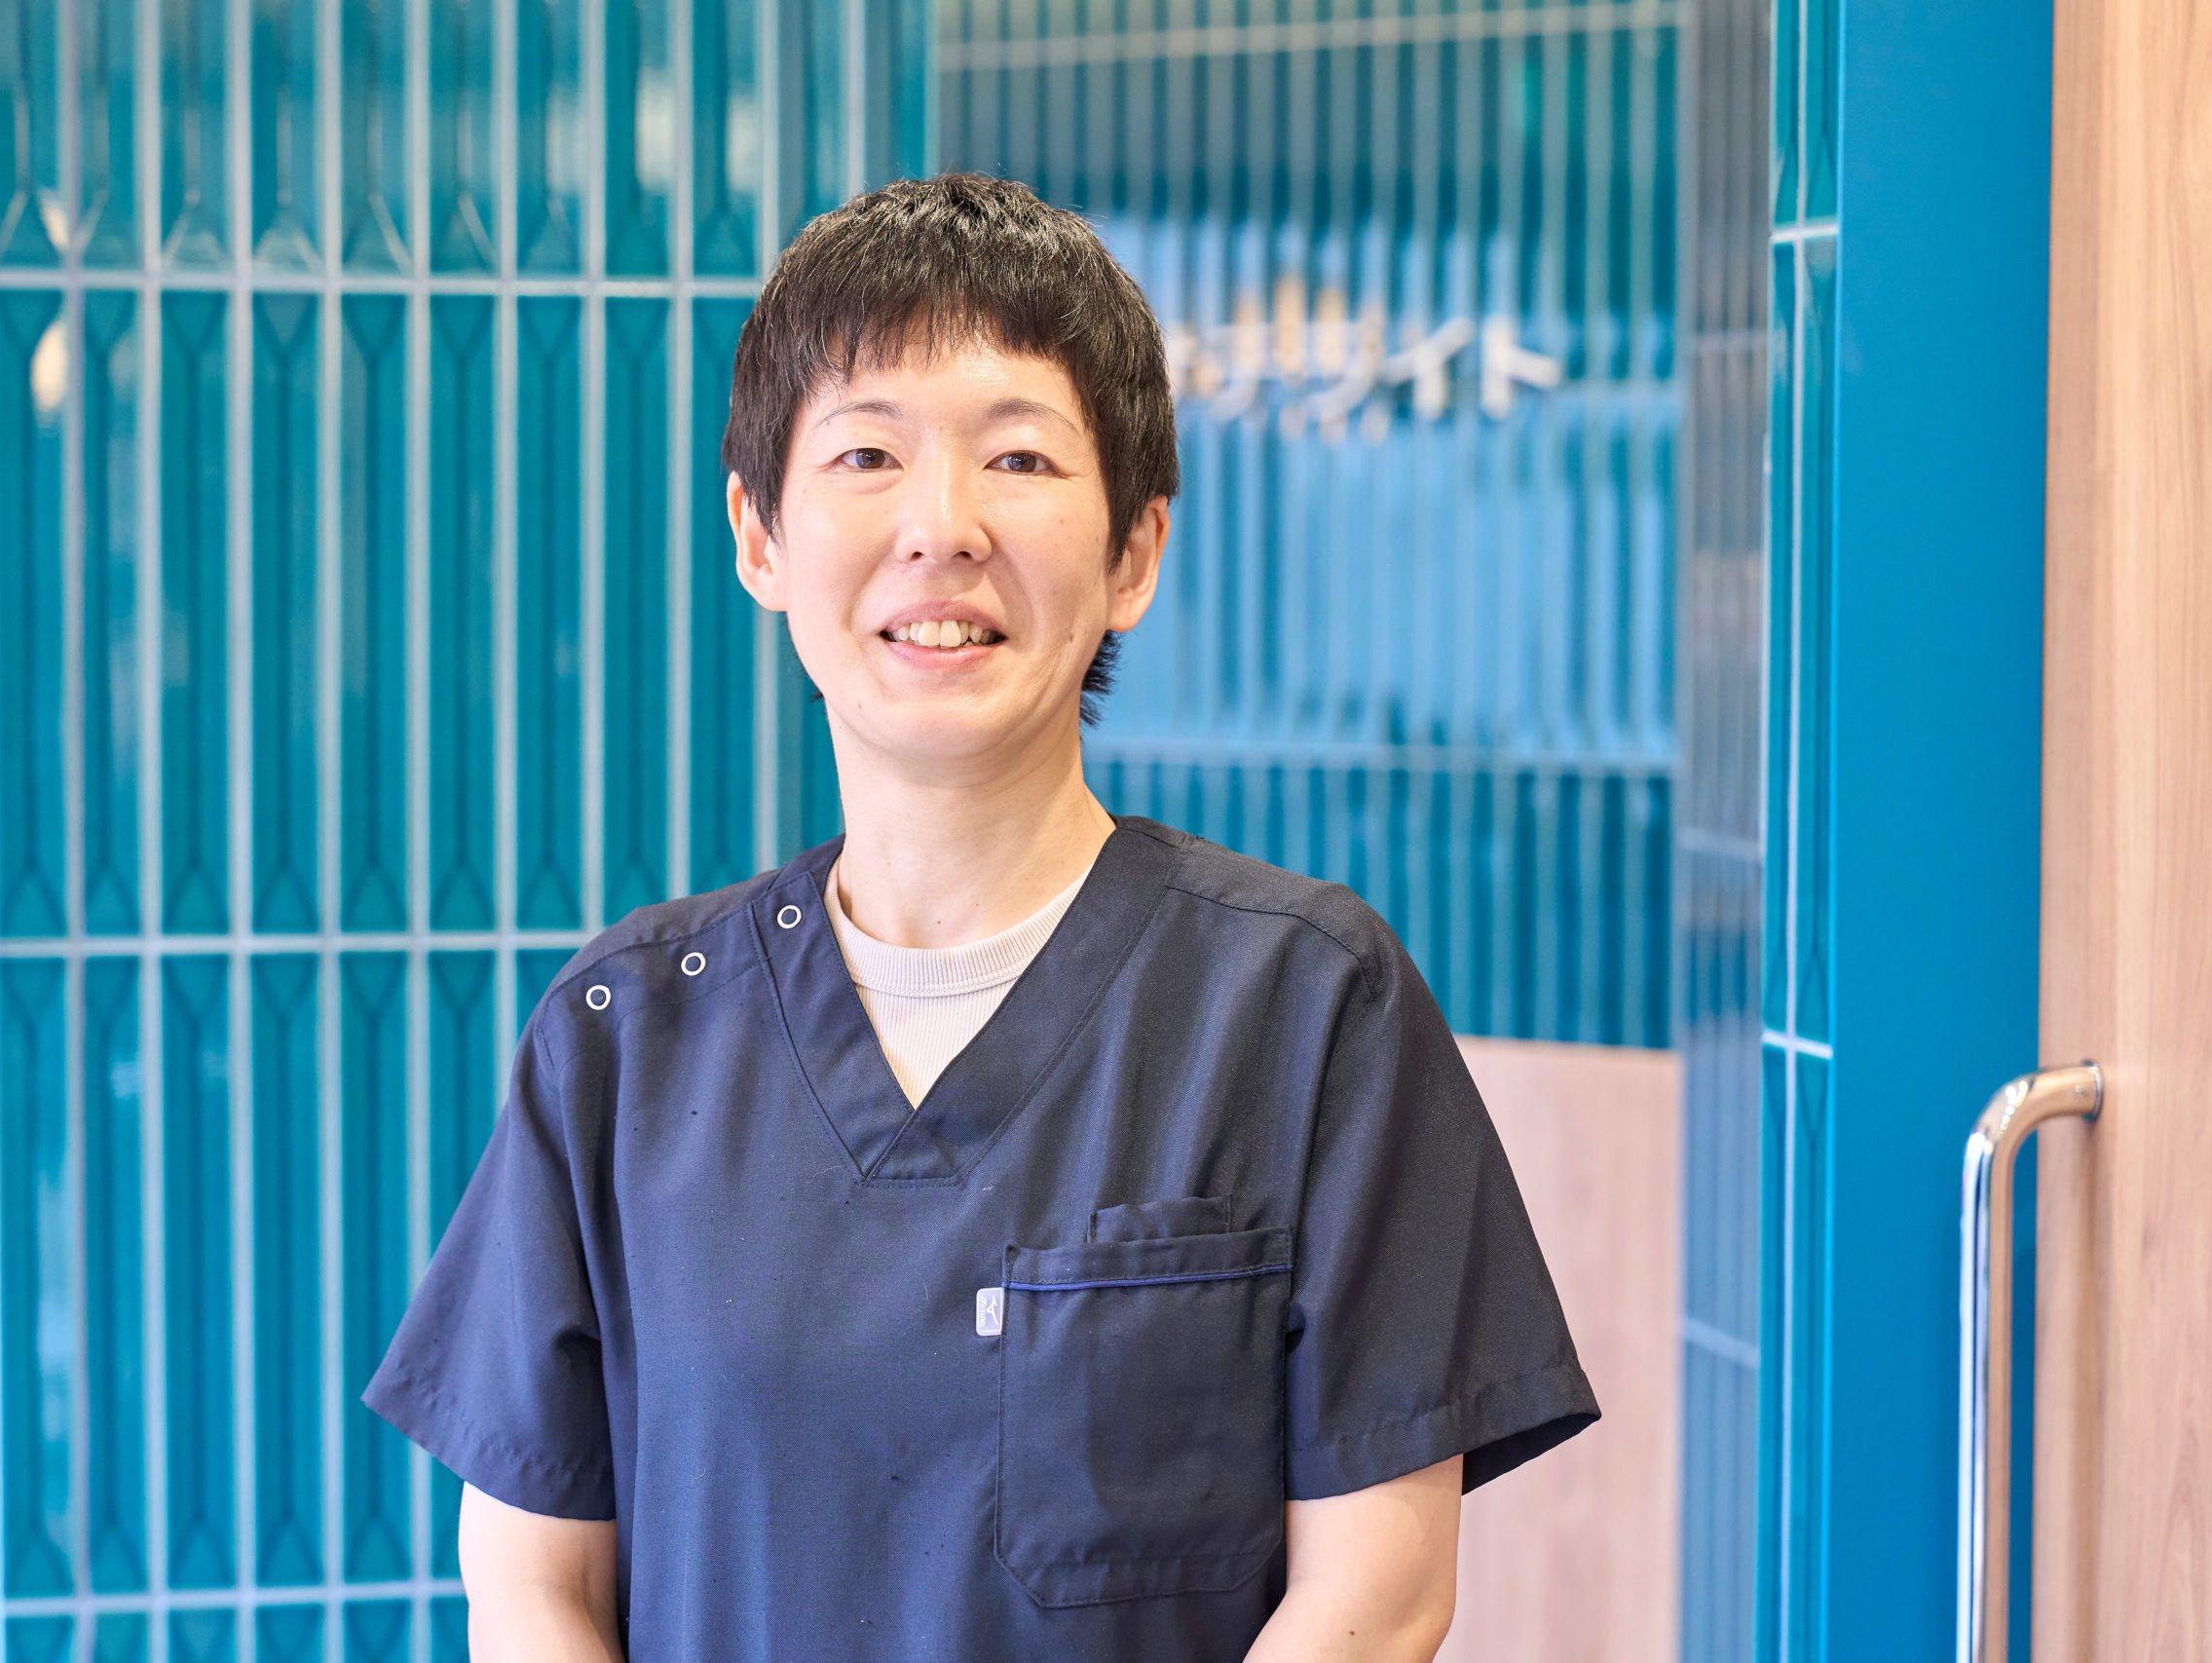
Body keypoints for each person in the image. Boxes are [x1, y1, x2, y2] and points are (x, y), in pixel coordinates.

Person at [364, 172, 1595, 1663]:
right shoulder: (623, 1039)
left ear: (1134, 552)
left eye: (1017, 456)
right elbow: (532, 1589)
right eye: (866, 453)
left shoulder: (1306, 1008)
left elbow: (1377, 1599)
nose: (940, 527)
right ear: (759, 537)